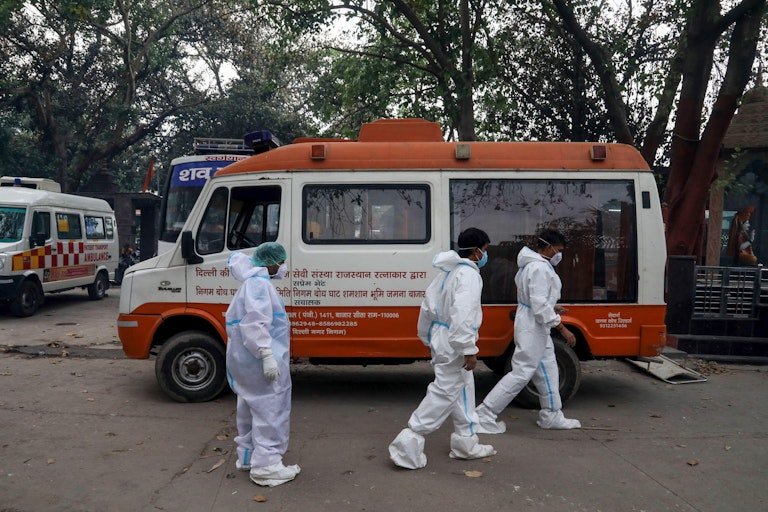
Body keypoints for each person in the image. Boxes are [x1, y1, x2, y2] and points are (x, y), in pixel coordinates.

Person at [389, 227, 497, 469]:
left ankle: (466, 443)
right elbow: (463, 314)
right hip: (455, 340)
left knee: (462, 389)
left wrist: (429, 339)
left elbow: (426, 309)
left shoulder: (445, 274)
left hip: (442, 337)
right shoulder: (468, 276)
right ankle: (409, 440)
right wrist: (468, 349)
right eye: (486, 250)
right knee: (445, 390)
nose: (486, 255)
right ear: (478, 251)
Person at [474, 229, 581, 434]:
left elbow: (533, 299)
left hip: (533, 323)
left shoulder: (530, 266)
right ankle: (484, 413)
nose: (560, 254)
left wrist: (551, 307)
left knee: (548, 368)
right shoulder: (539, 268)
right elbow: (539, 306)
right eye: (558, 250)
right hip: (534, 325)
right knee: (522, 372)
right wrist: (563, 328)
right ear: (548, 247)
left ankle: (552, 414)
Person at [225, 242, 299, 487]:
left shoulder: (252, 283)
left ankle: (247, 456)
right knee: (271, 409)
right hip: (258, 360)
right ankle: (266, 466)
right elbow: (256, 323)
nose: (284, 266)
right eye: (282, 261)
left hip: (245, 361)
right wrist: (266, 354)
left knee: (249, 407)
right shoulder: (258, 285)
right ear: (271, 262)